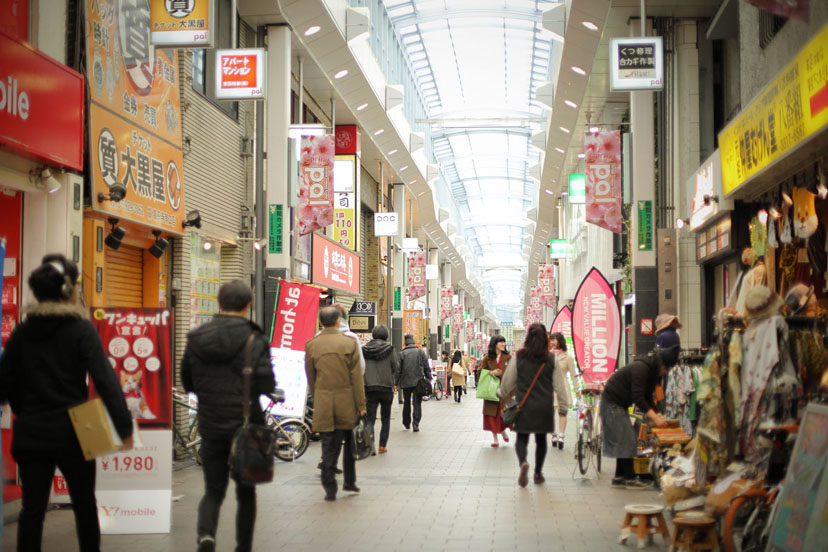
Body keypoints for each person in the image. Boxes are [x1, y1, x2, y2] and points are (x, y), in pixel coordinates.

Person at [0, 254, 134, 552]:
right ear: (68, 290)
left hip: (32, 430)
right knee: (85, 504)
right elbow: (105, 380)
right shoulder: (81, 330)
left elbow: (4, 385)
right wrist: (124, 427)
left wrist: (26, 409)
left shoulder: (22, 332)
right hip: (78, 430)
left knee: (32, 510)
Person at [181, 280, 275, 552]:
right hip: (246, 425)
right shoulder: (254, 338)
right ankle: (242, 546)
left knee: (213, 489)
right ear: (247, 305)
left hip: (210, 424)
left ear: (219, 302)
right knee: (246, 491)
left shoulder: (197, 337)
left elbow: (187, 382)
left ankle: (206, 535)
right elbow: (266, 384)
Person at [600, 324, 680, 489]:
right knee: (628, 439)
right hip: (612, 403)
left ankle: (619, 477)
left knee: (625, 439)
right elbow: (638, 397)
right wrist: (654, 417)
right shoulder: (642, 368)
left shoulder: (651, 373)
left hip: (617, 404)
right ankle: (629, 477)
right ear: (661, 364)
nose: (666, 372)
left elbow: (647, 398)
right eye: (666, 368)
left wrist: (658, 414)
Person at [305, 306, 367, 501]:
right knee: (348, 443)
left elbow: (311, 377)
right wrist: (361, 404)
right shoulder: (349, 342)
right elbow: (357, 377)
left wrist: (317, 396)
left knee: (328, 443)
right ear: (338, 321)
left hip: (323, 401)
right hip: (346, 401)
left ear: (321, 323)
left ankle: (329, 485)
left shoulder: (311, 344)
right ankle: (349, 481)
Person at [498, 323, 559, 487]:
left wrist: (501, 394)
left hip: (523, 405)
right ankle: (538, 473)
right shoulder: (551, 359)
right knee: (541, 440)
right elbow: (560, 384)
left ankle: (523, 462)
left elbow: (508, 382)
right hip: (545, 406)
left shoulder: (519, 357)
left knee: (522, 438)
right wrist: (564, 405)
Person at [362, 325, 400, 454]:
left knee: (370, 419)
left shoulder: (364, 350)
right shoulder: (390, 349)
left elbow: (361, 368)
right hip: (386, 388)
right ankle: (382, 446)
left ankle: (371, 445)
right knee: (385, 418)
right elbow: (396, 367)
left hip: (369, 387)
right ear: (386, 335)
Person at [477, 335, 511, 447]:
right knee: (491, 415)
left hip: (504, 391)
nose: (503, 344)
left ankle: (502, 431)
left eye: (504, 342)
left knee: (502, 415)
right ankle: (495, 438)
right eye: (501, 342)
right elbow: (479, 371)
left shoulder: (508, 357)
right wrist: (491, 373)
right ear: (495, 344)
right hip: (491, 391)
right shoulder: (487, 358)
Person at [549, 332, 578, 450]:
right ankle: (554, 434)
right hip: (549, 387)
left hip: (563, 388)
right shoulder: (547, 356)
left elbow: (573, 375)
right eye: (551, 340)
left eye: (554, 339)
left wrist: (577, 390)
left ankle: (561, 435)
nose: (552, 342)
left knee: (562, 412)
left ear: (560, 341)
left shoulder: (568, 357)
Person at [398, 334, 431, 431]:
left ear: (406, 343)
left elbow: (398, 370)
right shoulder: (420, 352)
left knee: (407, 403)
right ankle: (415, 424)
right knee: (417, 403)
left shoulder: (402, 354)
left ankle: (406, 423)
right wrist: (429, 376)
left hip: (405, 382)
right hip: (418, 382)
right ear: (413, 342)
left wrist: (396, 382)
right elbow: (426, 365)